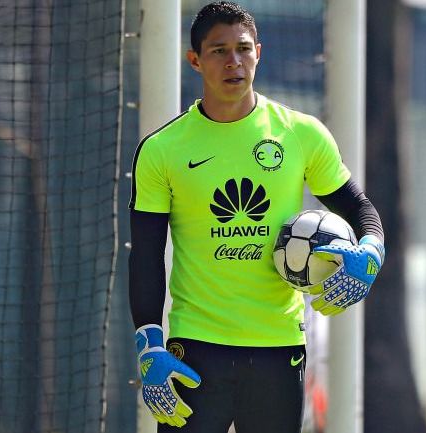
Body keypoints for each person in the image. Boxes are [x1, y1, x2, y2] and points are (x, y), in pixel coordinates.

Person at [128, 2, 385, 432]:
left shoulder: (301, 134)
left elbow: (360, 209)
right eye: (218, 51)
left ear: (259, 53)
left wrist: (370, 253)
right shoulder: (161, 150)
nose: (234, 62)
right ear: (194, 60)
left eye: (243, 49)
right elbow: (147, 254)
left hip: (277, 348)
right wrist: (149, 342)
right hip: (195, 350)